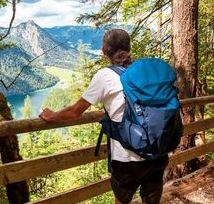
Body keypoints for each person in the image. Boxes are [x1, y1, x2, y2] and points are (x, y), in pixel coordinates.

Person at [39, 29, 169, 204]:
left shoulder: (105, 75)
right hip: (158, 151)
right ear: (129, 48)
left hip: (127, 158)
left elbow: (75, 112)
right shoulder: (145, 71)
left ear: (104, 51)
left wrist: (51, 115)